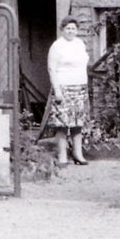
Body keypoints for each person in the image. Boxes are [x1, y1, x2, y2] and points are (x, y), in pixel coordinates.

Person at [46, 16, 90, 166]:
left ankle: (78, 155)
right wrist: (57, 90)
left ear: (77, 30)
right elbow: (51, 68)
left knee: (78, 123)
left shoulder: (80, 44)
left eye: (73, 28)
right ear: (62, 30)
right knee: (62, 124)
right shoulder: (57, 46)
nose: (71, 31)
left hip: (80, 87)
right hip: (63, 87)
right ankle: (62, 157)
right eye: (68, 28)